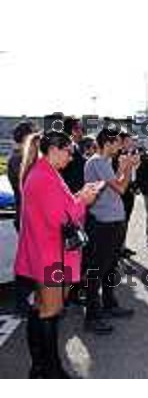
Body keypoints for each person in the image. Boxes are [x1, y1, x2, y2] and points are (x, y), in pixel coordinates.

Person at [14, 131, 101, 377]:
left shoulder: (44, 173)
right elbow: (61, 218)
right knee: (49, 313)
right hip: (51, 256)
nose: (71, 157)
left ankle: (41, 366)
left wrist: (79, 197)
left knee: (41, 310)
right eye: (68, 151)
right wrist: (83, 200)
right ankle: (50, 369)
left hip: (47, 254)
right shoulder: (44, 176)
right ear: (53, 149)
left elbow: (59, 210)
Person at [84, 128, 137, 335]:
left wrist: (124, 168)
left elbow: (113, 185)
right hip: (103, 224)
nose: (120, 146)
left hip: (113, 221)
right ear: (107, 143)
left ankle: (109, 304)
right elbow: (121, 188)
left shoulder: (103, 163)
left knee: (110, 267)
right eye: (117, 142)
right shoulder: (97, 162)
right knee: (97, 269)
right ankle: (92, 316)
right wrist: (128, 168)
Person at [114, 131, 138, 257]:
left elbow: (134, 174)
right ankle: (117, 248)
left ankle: (122, 245)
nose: (131, 143)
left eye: (132, 141)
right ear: (121, 142)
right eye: (128, 141)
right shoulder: (117, 156)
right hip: (121, 190)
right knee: (120, 221)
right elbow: (116, 176)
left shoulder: (133, 154)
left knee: (126, 220)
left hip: (131, 189)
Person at [7, 120, 34, 232]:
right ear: (26, 138)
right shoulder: (18, 159)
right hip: (27, 216)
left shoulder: (19, 157)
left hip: (25, 215)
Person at [61, 116, 87, 194]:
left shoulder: (76, 148)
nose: (82, 132)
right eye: (80, 129)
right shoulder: (65, 150)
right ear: (73, 131)